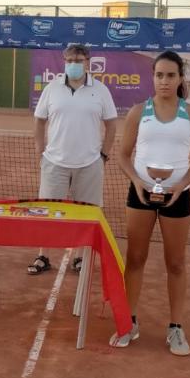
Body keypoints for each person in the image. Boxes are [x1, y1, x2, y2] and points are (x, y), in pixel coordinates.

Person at [112, 51, 190, 354]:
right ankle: (129, 322)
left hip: (178, 196)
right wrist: (137, 181)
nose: (164, 81)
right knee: (135, 258)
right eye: (159, 75)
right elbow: (124, 156)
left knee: (175, 263)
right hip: (139, 195)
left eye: (171, 75)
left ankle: (176, 328)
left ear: (180, 78)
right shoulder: (139, 112)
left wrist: (181, 186)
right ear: (153, 77)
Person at [28, 42, 117, 275]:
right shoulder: (52, 88)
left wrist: (103, 155)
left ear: (88, 63)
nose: (74, 65)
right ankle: (43, 256)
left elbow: (111, 124)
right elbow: (39, 120)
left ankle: (80, 257)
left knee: (87, 214)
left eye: (78, 61)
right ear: (64, 61)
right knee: (47, 211)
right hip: (54, 163)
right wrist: (41, 151)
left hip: (89, 164)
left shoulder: (101, 90)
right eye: (69, 60)